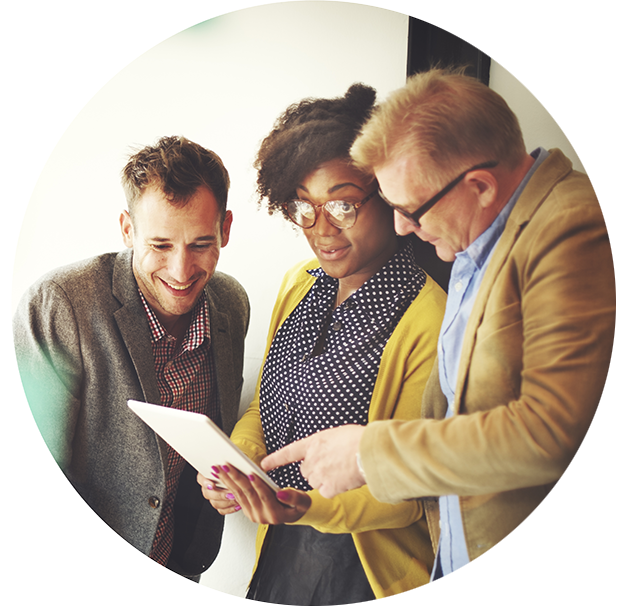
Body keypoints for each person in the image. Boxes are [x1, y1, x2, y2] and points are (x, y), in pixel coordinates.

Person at [261, 68, 616, 581]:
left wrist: (367, 453)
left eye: (410, 209)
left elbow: (550, 431)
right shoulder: (476, 242)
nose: (403, 225)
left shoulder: (571, 227)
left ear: (479, 186)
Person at [197, 84, 447, 603]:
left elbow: (408, 491)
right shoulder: (300, 283)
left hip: (366, 570)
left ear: (389, 194)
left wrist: (307, 506)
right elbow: (269, 407)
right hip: (279, 551)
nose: (321, 229)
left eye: (343, 206)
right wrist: (236, 463)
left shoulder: (427, 316)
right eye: (304, 208)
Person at [13, 135, 250, 581]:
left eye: (201, 244)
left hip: (182, 566)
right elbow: (31, 476)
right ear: (127, 229)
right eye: (160, 245)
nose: (182, 272)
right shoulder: (58, 305)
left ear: (226, 228)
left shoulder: (232, 304)